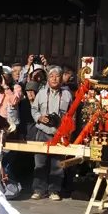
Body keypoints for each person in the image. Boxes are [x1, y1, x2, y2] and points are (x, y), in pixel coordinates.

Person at [30, 66, 73, 201]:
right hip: (42, 131)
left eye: (57, 76)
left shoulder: (67, 94)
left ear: (61, 78)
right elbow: (34, 109)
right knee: (40, 163)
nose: (54, 79)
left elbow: (72, 114)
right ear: (48, 79)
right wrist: (39, 118)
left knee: (57, 165)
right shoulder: (41, 93)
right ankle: (39, 189)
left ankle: (54, 190)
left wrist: (67, 129)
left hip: (60, 133)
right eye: (51, 76)